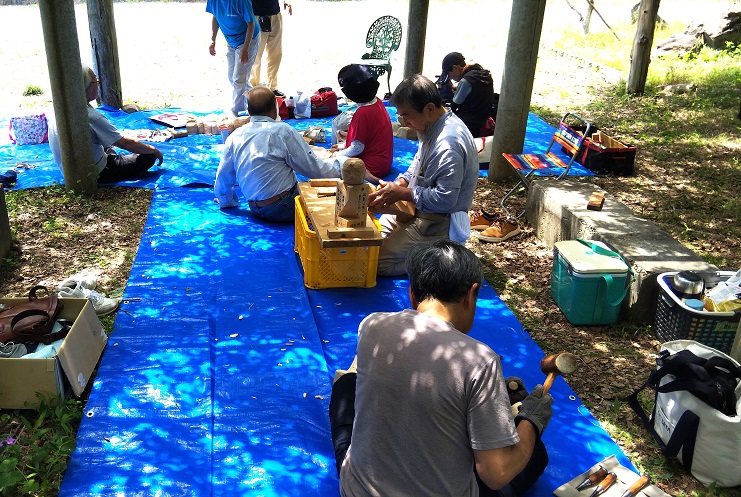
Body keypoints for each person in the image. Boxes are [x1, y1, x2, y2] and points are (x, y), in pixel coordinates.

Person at [329, 239, 552, 497]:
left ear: (412, 293)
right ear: (470, 294)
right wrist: (531, 422)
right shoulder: (480, 361)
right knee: (534, 455)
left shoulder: (371, 326)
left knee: (347, 384)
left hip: (357, 490)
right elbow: (495, 474)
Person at [368, 74, 478, 277]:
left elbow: (445, 200)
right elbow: (418, 164)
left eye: (407, 116)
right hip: (418, 208)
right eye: (401, 117)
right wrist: (400, 183)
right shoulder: (430, 125)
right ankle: (416, 247)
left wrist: (402, 194)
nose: (405, 123)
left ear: (428, 108)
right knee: (369, 244)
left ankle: (438, 259)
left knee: (375, 264)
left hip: (438, 220)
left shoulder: (448, 144)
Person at [213, 87, 341, 223]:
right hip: (283, 208)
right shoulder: (282, 131)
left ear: (249, 112)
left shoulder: (235, 136)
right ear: (275, 109)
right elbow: (312, 168)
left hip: (255, 208)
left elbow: (224, 174)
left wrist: (224, 200)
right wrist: (340, 168)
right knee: (329, 191)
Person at [47, 64, 163, 184]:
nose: (98, 84)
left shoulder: (58, 108)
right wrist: (153, 150)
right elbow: (124, 143)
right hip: (99, 172)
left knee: (108, 142)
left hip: (68, 172)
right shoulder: (91, 116)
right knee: (148, 156)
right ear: (84, 86)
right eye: (95, 81)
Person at [329, 64, 393, 184]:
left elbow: (357, 148)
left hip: (372, 166)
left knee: (337, 165)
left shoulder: (362, 113)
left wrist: (339, 154)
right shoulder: (377, 102)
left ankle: (373, 180)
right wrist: (343, 146)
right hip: (384, 162)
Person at [207, 0, 261, 116]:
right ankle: (259, 101)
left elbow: (251, 24)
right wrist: (213, 40)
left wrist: (245, 49)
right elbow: (215, 17)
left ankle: (235, 110)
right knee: (232, 76)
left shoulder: (241, 1)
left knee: (238, 78)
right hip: (231, 41)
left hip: (248, 40)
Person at [437, 52, 496, 138]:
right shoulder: (483, 74)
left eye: (450, 75)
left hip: (470, 125)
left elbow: (454, 106)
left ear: (455, 68)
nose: (452, 79)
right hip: (483, 121)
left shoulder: (466, 81)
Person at [249, 0, 292, 97]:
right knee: (255, 56)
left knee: (276, 54)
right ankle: (254, 88)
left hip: (275, 15)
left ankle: (272, 87)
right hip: (256, 16)